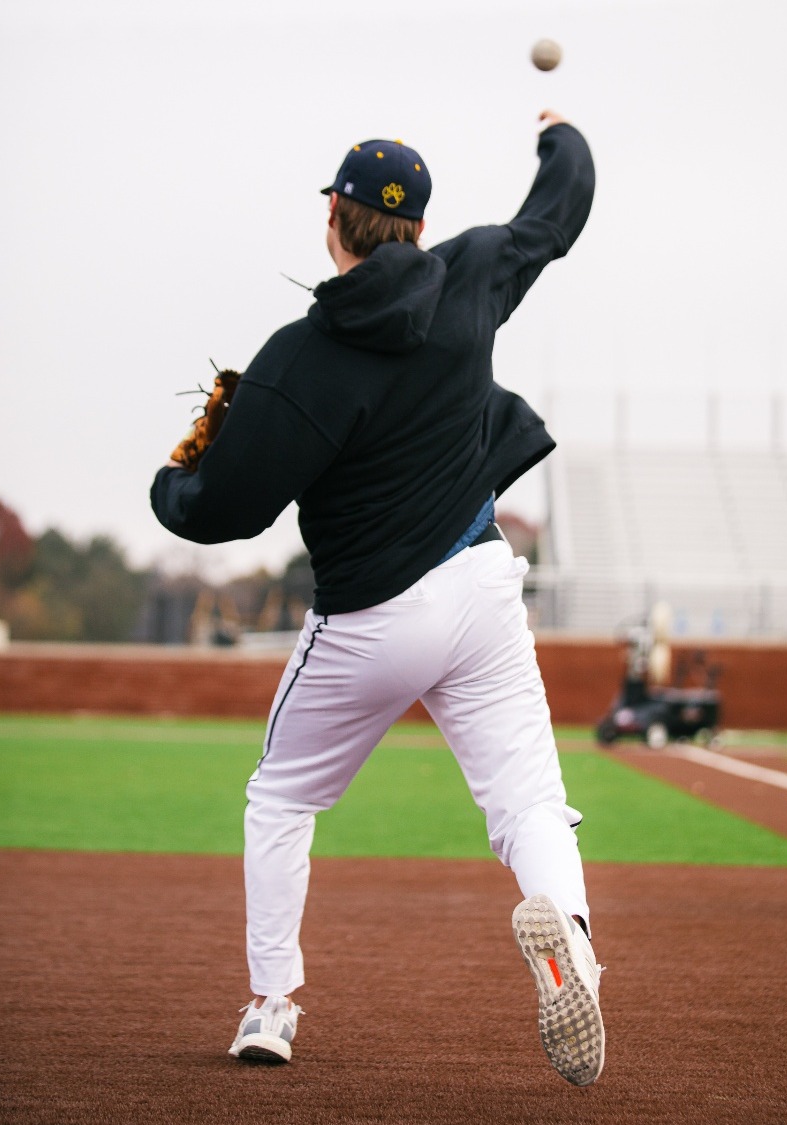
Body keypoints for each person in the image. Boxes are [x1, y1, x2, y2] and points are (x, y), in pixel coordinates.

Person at [150, 109, 604, 1086]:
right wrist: (560, 135)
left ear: (334, 219)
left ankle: (271, 1008)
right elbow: (553, 218)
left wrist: (171, 482)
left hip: (369, 620)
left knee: (279, 798)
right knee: (529, 799)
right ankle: (575, 946)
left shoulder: (300, 357)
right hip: (480, 586)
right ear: (419, 225)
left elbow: (222, 511)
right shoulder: (471, 276)